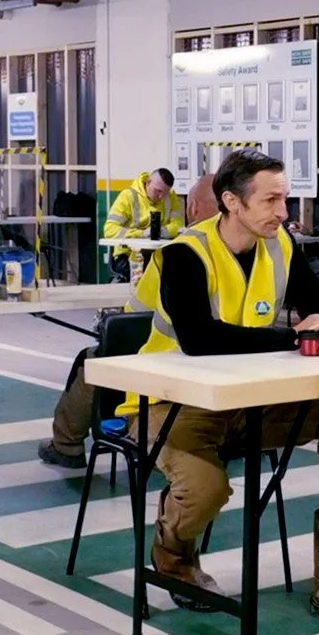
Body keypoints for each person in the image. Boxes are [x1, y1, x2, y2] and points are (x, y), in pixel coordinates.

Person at [109, 150, 319, 633]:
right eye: (271, 200)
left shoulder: (279, 245)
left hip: (246, 402)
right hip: (169, 404)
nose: (283, 211)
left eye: (284, 198)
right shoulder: (185, 254)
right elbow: (201, 340)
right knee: (205, 488)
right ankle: (174, 553)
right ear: (231, 202)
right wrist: (294, 336)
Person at [38, 173, 216, 470]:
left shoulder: (178, 254)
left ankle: (66, 444)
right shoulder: (257, 251)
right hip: (220, 366)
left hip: (169, 363)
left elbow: (133, 317)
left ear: (194, 208)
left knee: (94, 359)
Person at [102, 168, 184, 282]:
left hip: (159, 255)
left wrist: (159, 231)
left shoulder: (170, 196)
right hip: (129, 255)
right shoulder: (128, 196)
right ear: (148, 182)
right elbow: (109, 229)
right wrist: (141, 234)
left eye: (164, 193)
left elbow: (179, 225)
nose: (161, 196)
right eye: (158, 191)